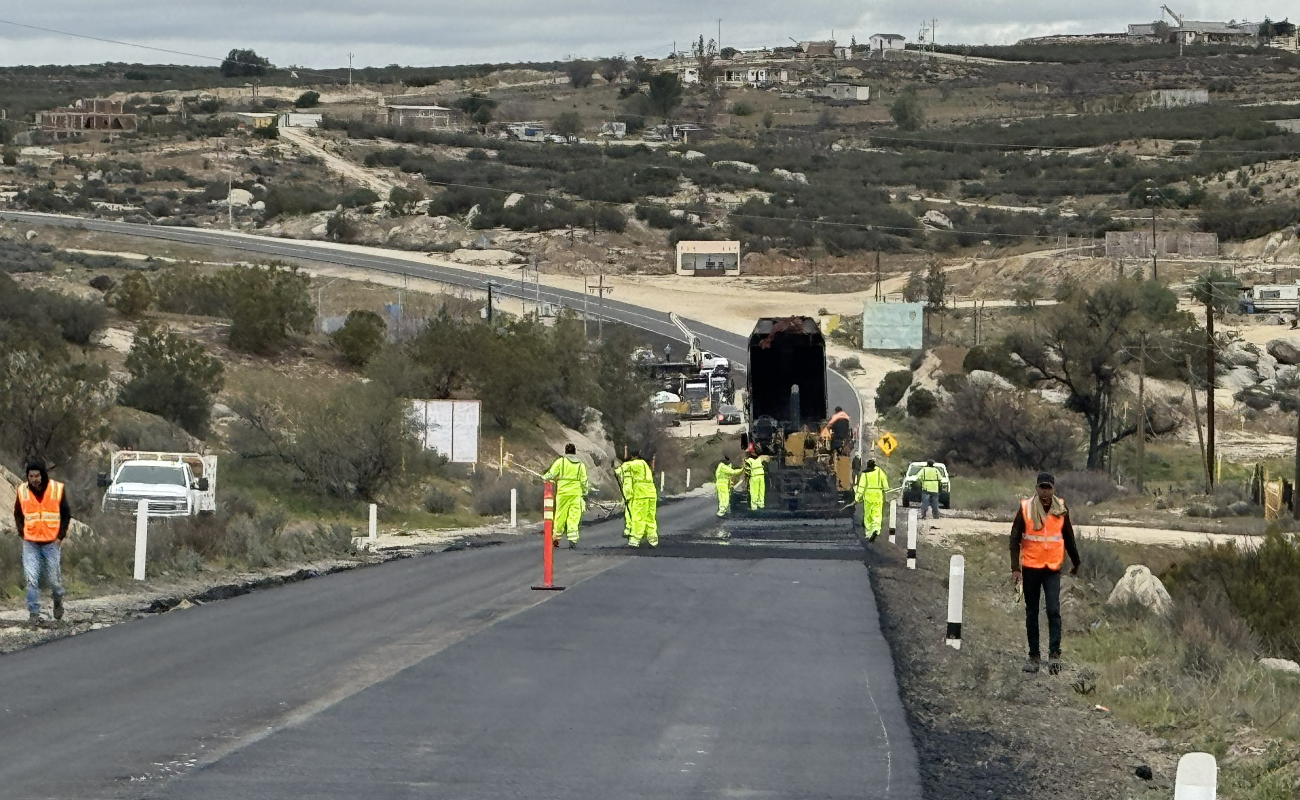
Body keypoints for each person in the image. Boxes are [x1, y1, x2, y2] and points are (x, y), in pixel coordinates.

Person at [1011, 472, 1082, 675]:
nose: (1045, 491)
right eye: (1042, 487)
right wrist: (1015, 568)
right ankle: (1034, 656)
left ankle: (1054, 656)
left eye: (1048, 487)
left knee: (1053, 610)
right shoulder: (1026, 508)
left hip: (1052, 568)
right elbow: (1014, 538)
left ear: (1053, 489)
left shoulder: (1061, 509)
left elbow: (1069, 537)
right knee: (1032, 612)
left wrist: (1076, 562)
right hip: (1031, 568)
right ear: (1036, 488)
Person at [13, 458, 70, 626]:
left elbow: (66, 514)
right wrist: (22, 532)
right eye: (31, 476)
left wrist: (60, 536)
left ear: (43, 475)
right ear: (27, 476)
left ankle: (58, 599)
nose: (34, 479)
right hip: (31, 543)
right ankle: (34, 613)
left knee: (54, 579)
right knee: (31, 578)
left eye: (37, 475)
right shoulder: (22, 491)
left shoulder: (56, 489)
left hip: (51, 543)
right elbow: (18, 514)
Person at [543, 444, 589, 549]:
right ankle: (573, 539)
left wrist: (544, 477)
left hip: (562, 493)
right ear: (575, 452)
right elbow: (584, 481)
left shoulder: (561, 462)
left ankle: (556, 538)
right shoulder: (580, 465)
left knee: (560, 516)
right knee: (574, 516)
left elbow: (551, 474)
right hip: (576, 494)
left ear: (565, 451)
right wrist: (585, 492)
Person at [618, 450, 658, 548]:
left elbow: (619, 471)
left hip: (640, 494)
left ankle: (635, 540)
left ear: (631, 455)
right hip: (651, 493)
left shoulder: (632, 465)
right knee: (650, 516)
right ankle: (653, 539)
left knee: (638, 516)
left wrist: (627, 496)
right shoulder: (645, 464)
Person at [854, 458, 890, 541]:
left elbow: (861, 487)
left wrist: (857, 498)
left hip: (868, 496)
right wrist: (886, 489)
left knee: (868, 515)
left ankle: (869, 532)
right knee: (877, 513)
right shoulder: (880, 472)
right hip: (878, 495)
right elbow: (884, 481)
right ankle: (876, 530)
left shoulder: (865, 474)